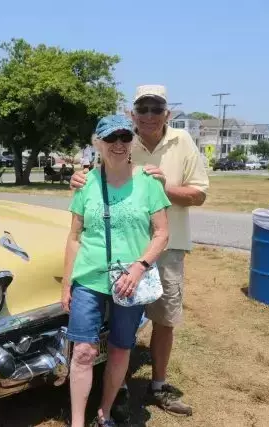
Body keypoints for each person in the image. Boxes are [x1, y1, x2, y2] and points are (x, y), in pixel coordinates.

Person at [69, 85, 210, 418]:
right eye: (142, 109)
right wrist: (79, 178)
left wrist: (163, 188)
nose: (149, 115)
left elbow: (200, 195)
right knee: (109, 326)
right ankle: (116, 391)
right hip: (112, 254)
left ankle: (158, 384)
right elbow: (93, 182)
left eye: (156, 108)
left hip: (165, 247)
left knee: (162, 318)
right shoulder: (120, 138)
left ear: (167, 113)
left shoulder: (182, 142)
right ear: (132, 115)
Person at [62, 114, 170, 427]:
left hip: (131, 282)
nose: (118, 145)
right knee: (82, 351)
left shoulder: (148, 183)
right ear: (98, 144)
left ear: (132, 141)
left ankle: (105, 412)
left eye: (124, 138)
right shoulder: (86, 183)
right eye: (111, 139)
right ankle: (78, 422)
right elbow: (73, 237)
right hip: (90, 279)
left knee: (121, 349)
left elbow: (162, 233)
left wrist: (139, 268)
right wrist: (66, 284)